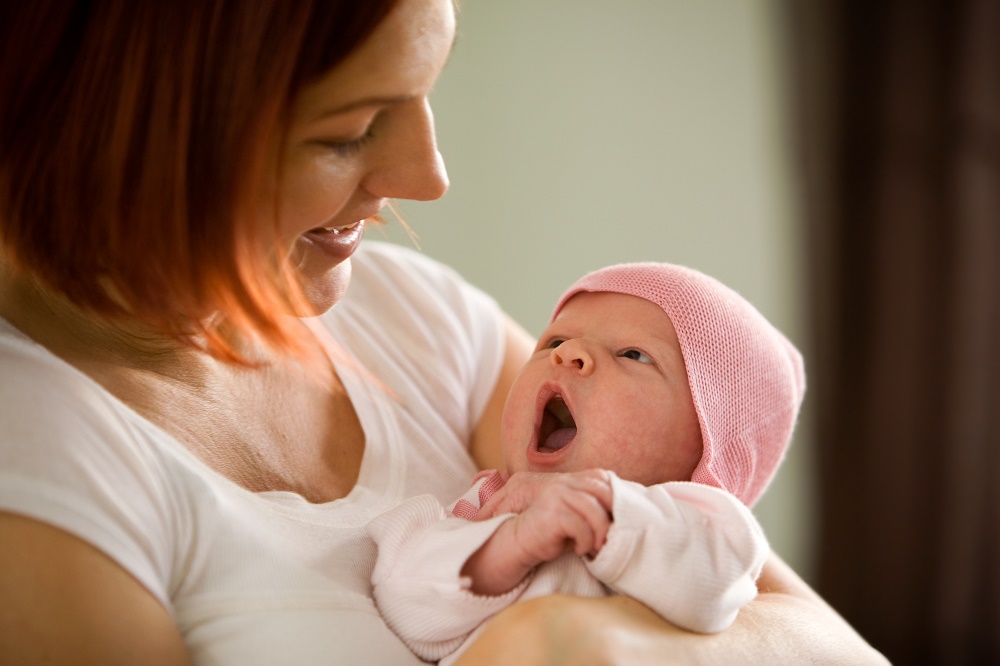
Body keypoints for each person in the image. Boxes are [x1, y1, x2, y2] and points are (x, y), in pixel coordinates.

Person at [0, 1, 888, 664]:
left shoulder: (415, 319)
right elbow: (427, 584)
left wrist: (570, 639)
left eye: (425, 93)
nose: (428, 178)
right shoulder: (39, 459)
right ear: (120, 135)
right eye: (349, 132)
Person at [367, 262, 802, 664]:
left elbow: (714, 586)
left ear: (709, 444)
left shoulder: (706, 527)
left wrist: (606, 512)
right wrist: (506, 547)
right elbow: (405, 605)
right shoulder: (485, 511)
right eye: (554, 341)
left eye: (633, 354)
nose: (568, 352)